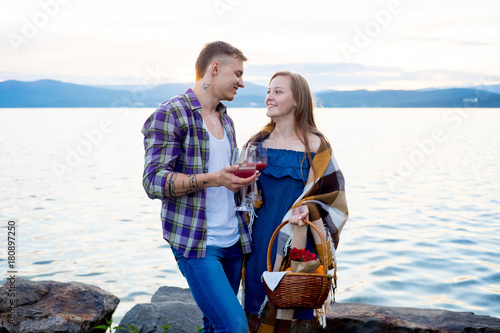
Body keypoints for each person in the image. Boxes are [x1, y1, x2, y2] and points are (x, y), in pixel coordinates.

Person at [141, 41, 257, 333]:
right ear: (215, 69)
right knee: (235, 327)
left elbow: (225, 177)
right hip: (197, 244)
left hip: (234, 241)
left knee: (214, 327)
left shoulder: (225, 118)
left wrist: (240, 182)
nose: (242, 83)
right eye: (238, 74)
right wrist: (213, 178)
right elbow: (153, 181)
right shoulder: (171, 113)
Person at [243, 71, 349, 332]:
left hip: (298, 245)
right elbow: (241, 196)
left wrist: (308, 208)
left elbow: (335, 200)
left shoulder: (317, 146)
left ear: (297, 100)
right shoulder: (257, 144)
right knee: (253, 314)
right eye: (269, 91)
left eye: (278, 92)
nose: (269, 97)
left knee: (293, 318)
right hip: (260, 245)